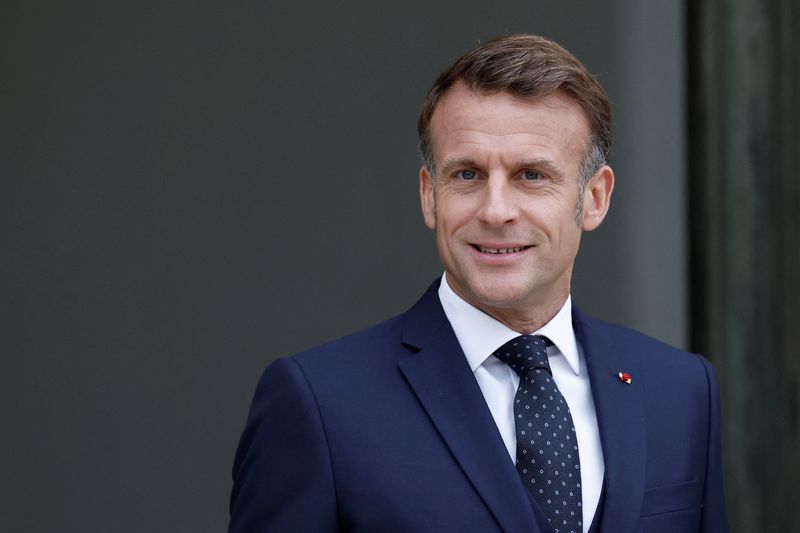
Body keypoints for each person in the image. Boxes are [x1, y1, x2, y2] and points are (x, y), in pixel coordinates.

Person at [229, 34, 728, 533]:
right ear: (429, 195)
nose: (495, 211)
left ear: (595, 198)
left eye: (531, 176)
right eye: (467, 174)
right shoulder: (318, 403)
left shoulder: (681, 392)